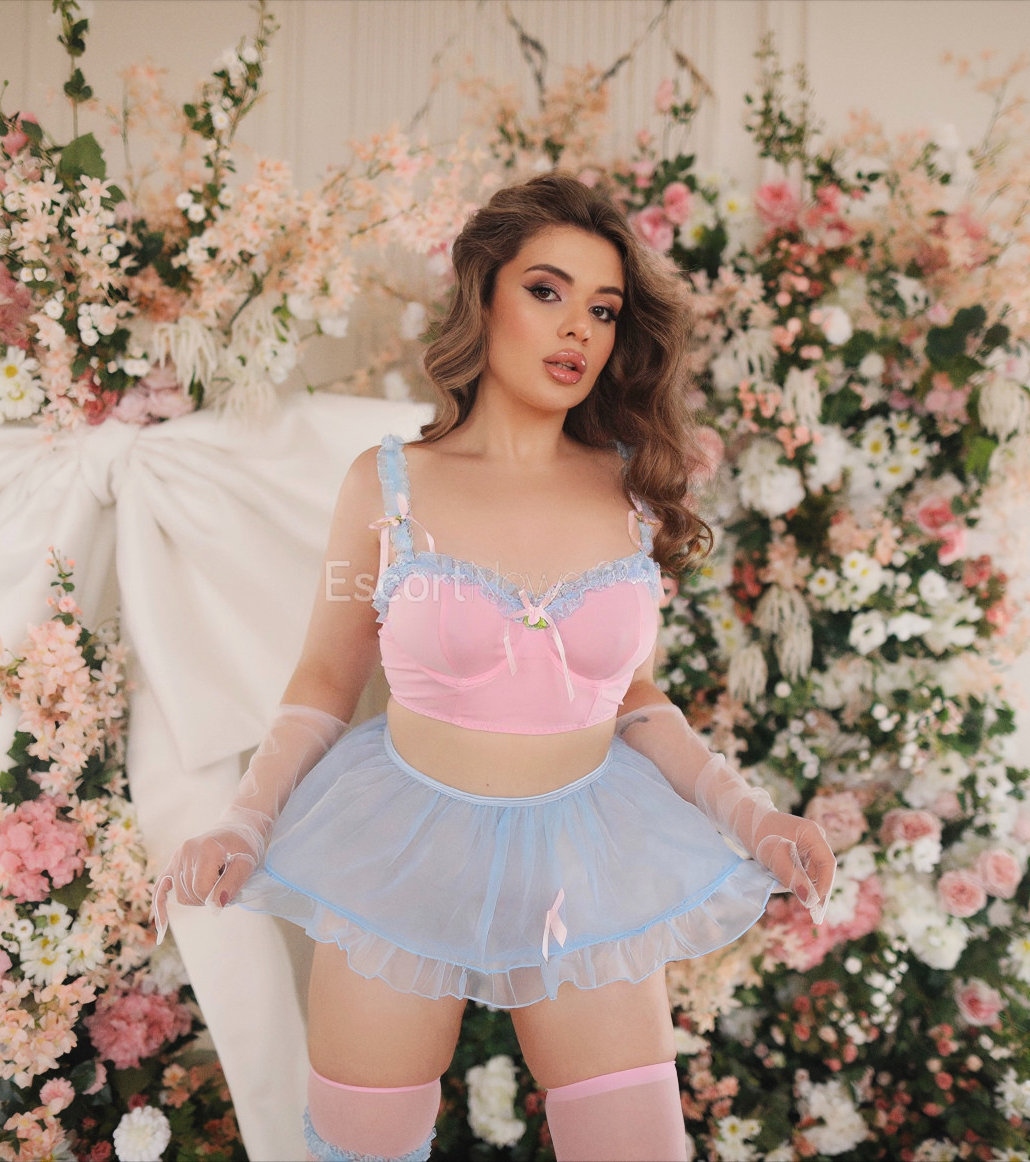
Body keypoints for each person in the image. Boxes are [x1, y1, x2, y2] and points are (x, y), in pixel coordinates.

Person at [152, 171, 836, 1162]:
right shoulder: (389, 485)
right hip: (400, 854)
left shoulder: (633, 489)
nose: (578, 329)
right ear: (485, 297)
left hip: (585, 859)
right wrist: (244, 819)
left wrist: (753, 815)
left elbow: (634, 697)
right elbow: (325, 681)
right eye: (547, 291)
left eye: (603, 309)